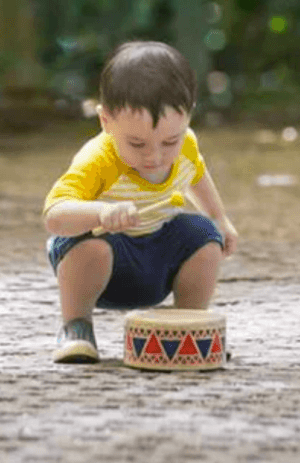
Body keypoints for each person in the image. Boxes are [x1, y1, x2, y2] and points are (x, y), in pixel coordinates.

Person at [42, 41, 240, 363]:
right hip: (105, 267)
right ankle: (76, 326)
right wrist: (101, 213)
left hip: (156, 258)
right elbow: (54, 217)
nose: (155, 157)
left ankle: (188, 327)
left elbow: (196, 175)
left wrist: (219, 218)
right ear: (106, 121)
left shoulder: (186, 145)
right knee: (90, 246)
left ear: (188, 116)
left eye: (169, 141)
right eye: (137, 144)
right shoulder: (97, 160)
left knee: (204, 236)